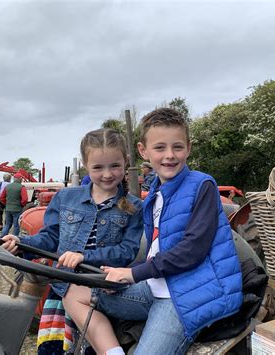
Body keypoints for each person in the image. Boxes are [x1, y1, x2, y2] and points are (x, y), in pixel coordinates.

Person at [63, 108, 243, 355]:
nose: (169, 155)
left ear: (188, 148)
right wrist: (120, 276)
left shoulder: (203, 185)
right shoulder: (155, 193)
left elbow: (192, 250)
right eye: (160, 148)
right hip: (156, 287)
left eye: (177, 147)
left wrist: (133, 274)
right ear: (143, 151)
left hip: (186, 297)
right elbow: (156, 250)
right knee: (75, 291)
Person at [1, 128, 144, 354]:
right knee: (54, 349)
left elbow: (126, 251)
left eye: (114, 166)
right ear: (86, 166)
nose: (107, 174)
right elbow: (51, 237)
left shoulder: (134, 207)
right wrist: (20, 243)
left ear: (125, 162)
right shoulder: (66, 198)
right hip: (62, 287)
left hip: (101, 291)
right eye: (98, 167)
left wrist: (84, 257)